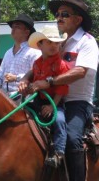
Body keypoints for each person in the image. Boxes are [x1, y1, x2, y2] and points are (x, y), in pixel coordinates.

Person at [29, 0, 99, 181]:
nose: (58, 18)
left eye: (64, 15)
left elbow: (80, 72)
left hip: (78, 102)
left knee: (71, 138)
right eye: (57, 14)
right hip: (48, 98)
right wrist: (25, 80)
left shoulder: (87, 42)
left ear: (77, 19)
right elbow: (38, 65)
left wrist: (49, 82)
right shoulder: (54, 40)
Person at [18, 25, 70, 167]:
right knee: (19, 113)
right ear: (40, 45)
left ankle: (59, 153)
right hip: (38, 101)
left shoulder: (61, 65)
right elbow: (35, 85)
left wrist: (52, 107)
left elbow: (62, 88)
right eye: (49, 42)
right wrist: (26, 87)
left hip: (55, 103)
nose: (54, 46)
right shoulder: (36, 64)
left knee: (59, 121)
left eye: (56, 43)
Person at [0, 14, 41, 95]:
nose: (13, 29)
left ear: (27, 32)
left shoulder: (34, 52)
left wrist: (16, 78)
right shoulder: (8, 53)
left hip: (23, 99)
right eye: (13, 27)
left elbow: (36, 75)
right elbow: (1, 75)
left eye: (17, 27)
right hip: (5, 97)